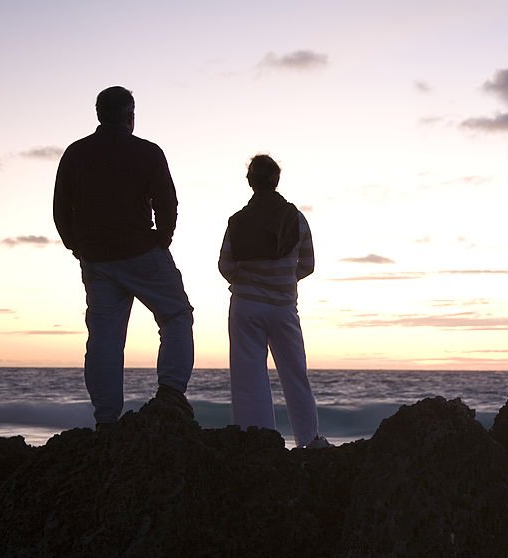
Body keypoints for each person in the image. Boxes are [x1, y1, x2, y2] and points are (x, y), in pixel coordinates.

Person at [53, 86, 195, 427]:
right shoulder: (146, 152)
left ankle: (106, 419)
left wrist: (77, 246)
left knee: (104, 339)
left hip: (98, 260)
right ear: (129, 116)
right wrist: (162, 239)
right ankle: (171, 393)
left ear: (99, 114)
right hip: (142, 253)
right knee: (176, 315)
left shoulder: (76, 153)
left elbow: (61, 209)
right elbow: (167, 202)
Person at [218, 154, 329, 448]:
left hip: (246, 306)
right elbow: (308, 264)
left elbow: (225, 266)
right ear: (276, 180)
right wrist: (283, 281)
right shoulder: (296, 218)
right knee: (295, 374)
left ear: (250, 182)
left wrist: (248, 281)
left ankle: (257, 439)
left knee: (248, 376)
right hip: (283, 308)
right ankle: (309, 438)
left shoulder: (238, 221)